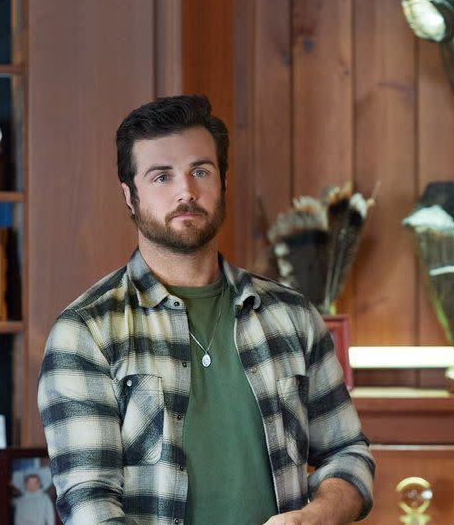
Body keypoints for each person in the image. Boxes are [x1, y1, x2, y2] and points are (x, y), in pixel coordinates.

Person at [37, 94, 374, 525]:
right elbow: (90, 502)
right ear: (129, 195)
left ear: (223, 183)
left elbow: (347, 453)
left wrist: (316, 516)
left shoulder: (293, 317)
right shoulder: (87, 331)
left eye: (201, 171)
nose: (186, 192)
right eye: (162, 177)